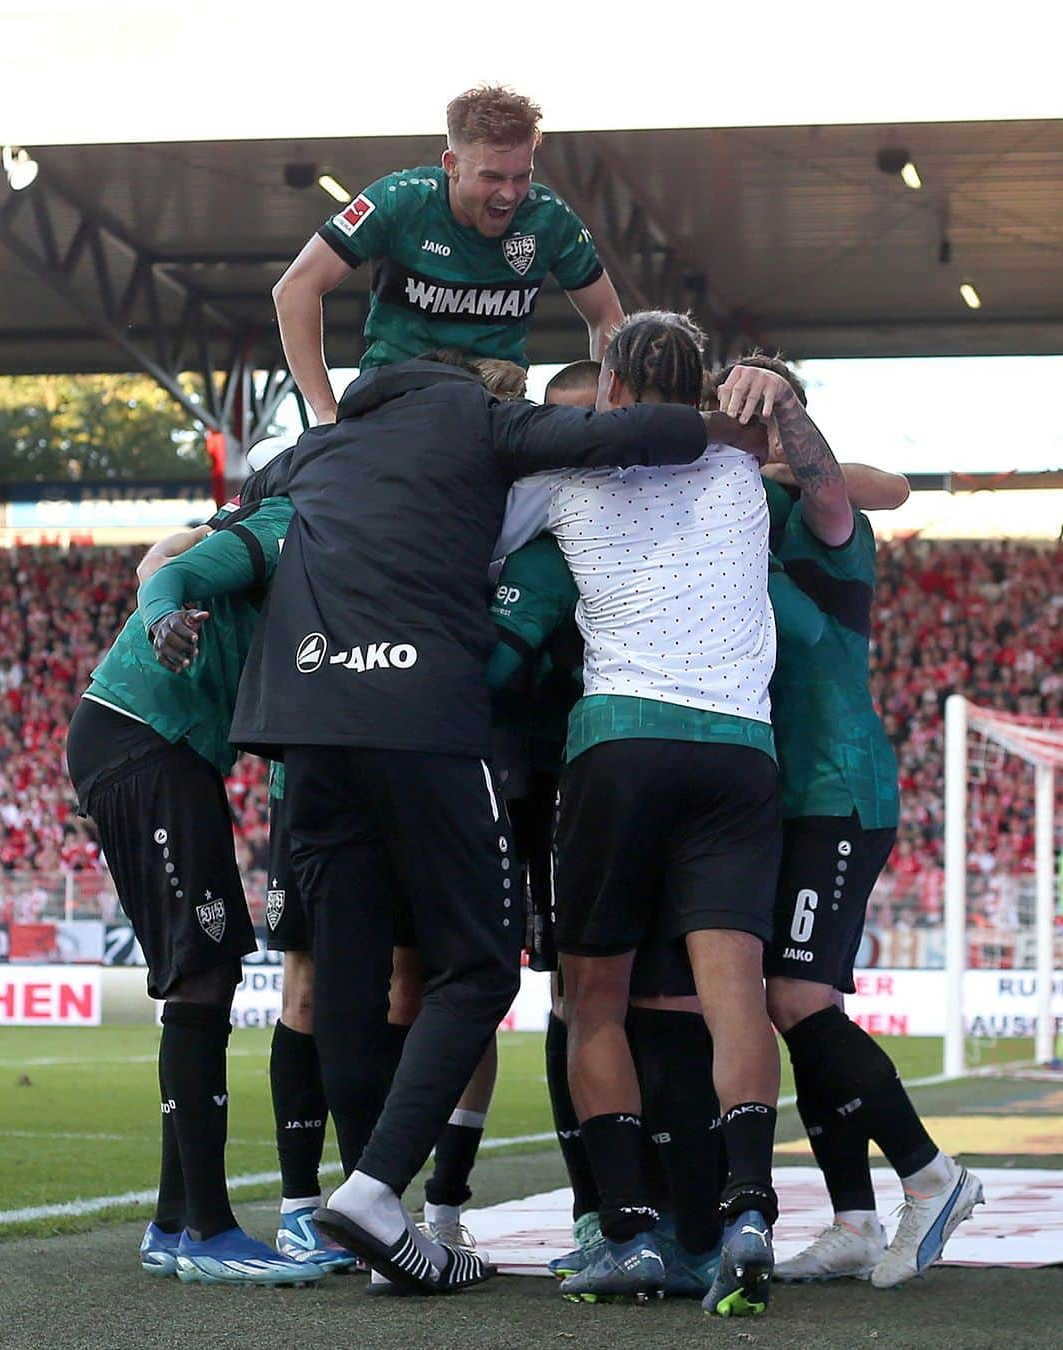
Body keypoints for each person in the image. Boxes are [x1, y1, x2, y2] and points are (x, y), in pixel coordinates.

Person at [228, 349, 759, 1295]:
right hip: (423, 715)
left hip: (303, 725)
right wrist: (730, 425)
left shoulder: (325, 445)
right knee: (475, 966)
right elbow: (642, 432)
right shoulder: (479, 422)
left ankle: (362, 1202)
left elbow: (237, 515)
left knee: (345, 982)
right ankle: (379, 1190)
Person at [491, 311, 816, 1315]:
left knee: (594, 1001)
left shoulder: (568, 474)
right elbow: (836, 478)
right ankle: (751, 1213)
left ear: (614, 392)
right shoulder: (747, 472)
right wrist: (770, 400)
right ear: (707, 389)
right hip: (738, 749)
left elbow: (474, 540)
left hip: (620, 743)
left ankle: (629, 1233)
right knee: (736, 994)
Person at [713, 356, 984, 1289]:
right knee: (796, 1009)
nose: (736, 423)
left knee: (795, 998)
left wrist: (782, 416)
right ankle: (855, 1220)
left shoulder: (823, 516)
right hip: (775, 794)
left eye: (755, 409)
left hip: (836, 784)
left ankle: (932, 1176)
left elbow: (856, 486)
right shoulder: (722, 509)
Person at [65, 493, 320, 1288]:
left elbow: (161, 558)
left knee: (203, 971)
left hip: (159, 745)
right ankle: (206, 1227)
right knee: (201, 972)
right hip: (149, 740)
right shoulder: (285, 526)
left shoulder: (274, 527)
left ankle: (175, 1223)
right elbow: (165, 576)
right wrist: (160, 619)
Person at [272, 84, 624, 424]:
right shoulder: (399, 201)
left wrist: (611, 409)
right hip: (394, 407)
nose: (509, 194)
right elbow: (294, 289)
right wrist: (324, 412)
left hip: (496, 408)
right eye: (492, 177)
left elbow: (607, 313)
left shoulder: (548, 217)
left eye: (522, 177)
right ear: (451, 165)